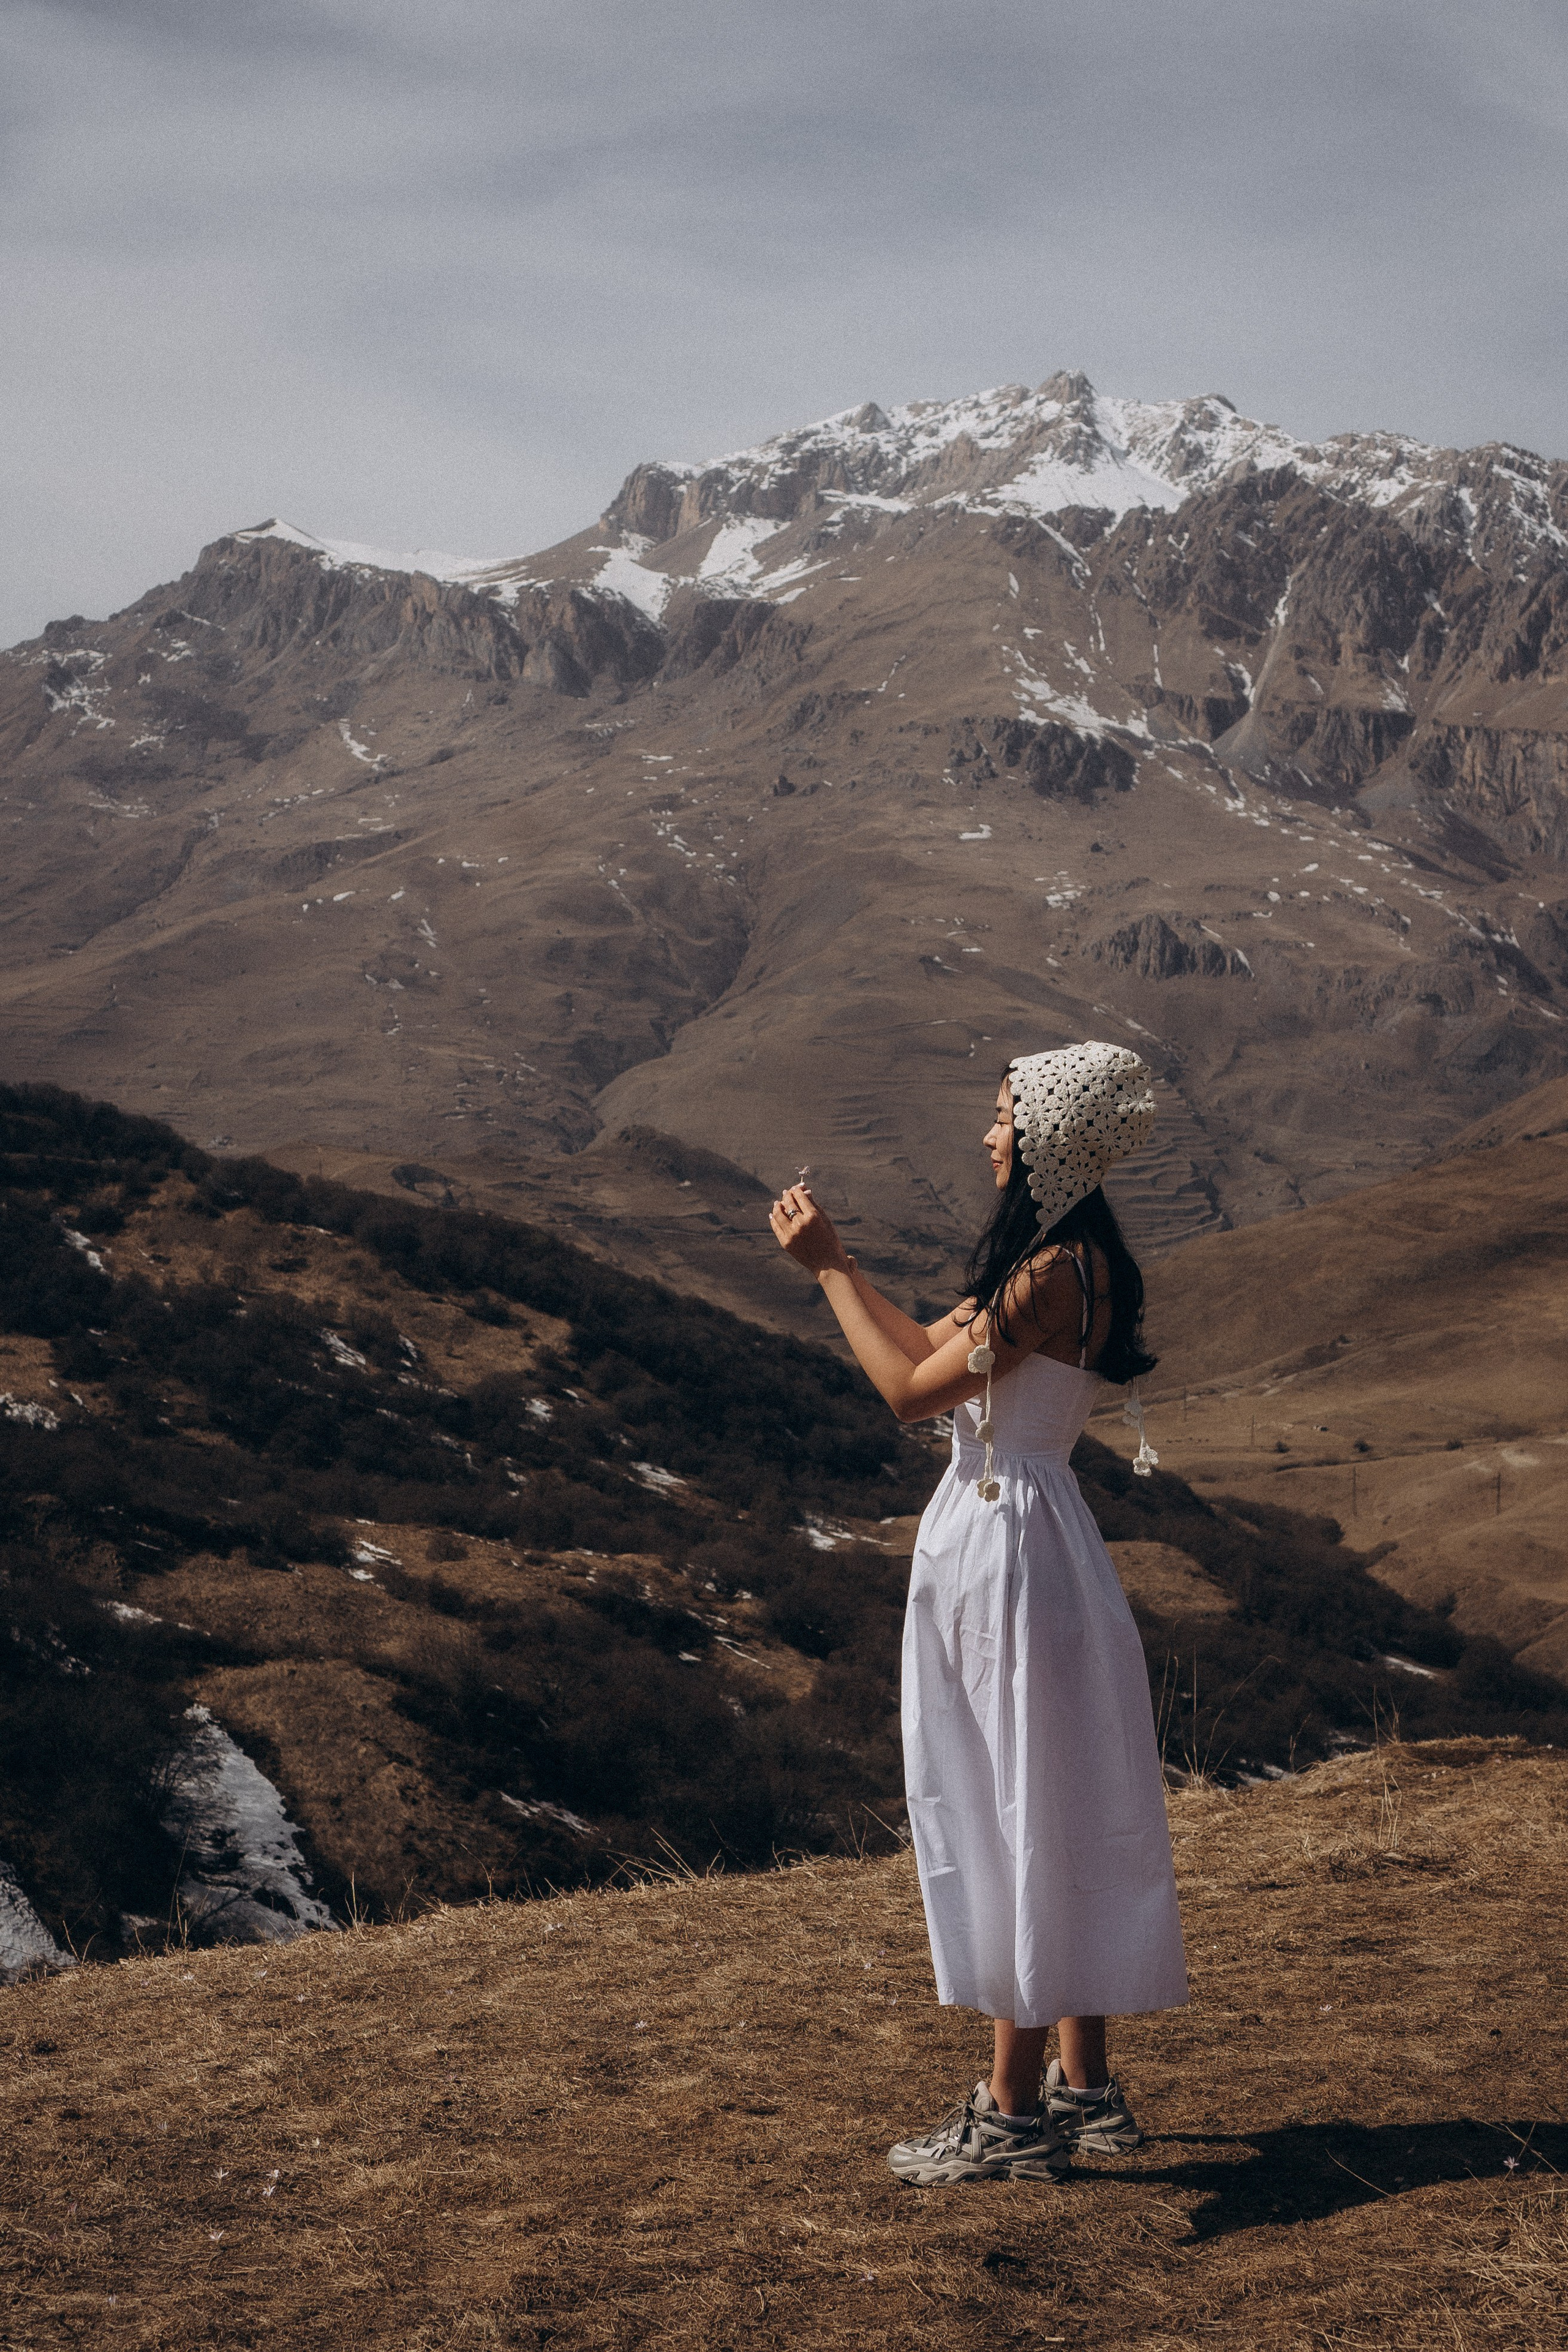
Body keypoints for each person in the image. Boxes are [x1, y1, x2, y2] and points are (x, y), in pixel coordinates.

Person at [769, 1041, 1188, 2185]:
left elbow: (907, 1395)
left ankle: (1008, 2114)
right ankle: (1084, 2086)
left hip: (1003, 1548)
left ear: (1051, 1136)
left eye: (1006, 1116)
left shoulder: (1048, 1272)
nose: (990, 1135)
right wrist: (852, 1275)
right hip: (1043, 1538)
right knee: (1052, 1793)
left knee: (1011, 1807)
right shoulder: (1079, 1261)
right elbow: (938, 1360)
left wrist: (827, 1268)